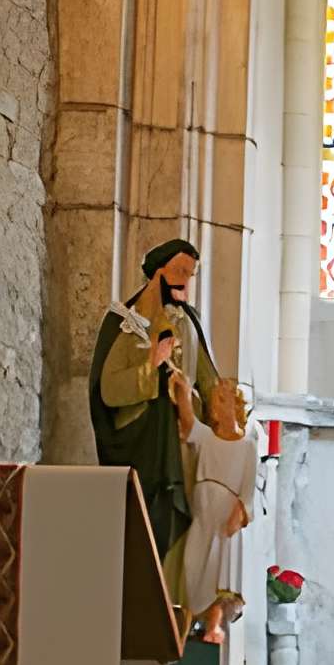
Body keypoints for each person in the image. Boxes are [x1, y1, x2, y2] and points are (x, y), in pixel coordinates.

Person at [93, 236, 222, 590]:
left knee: (182, 525)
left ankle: (174, 600)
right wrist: (151, 366)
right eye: (180, 270)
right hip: (142, 445)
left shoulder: (189, 320)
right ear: (159, 271)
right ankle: (142, 593)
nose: (185, 280)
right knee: (146, 523)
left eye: (191, 273)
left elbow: (208, 378)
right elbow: (108, 388)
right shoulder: (126, 320)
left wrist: (226, 421)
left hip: (183, 441)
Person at [180, 378, 261, 645]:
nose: (218, 408)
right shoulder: (205, 436)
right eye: (215, 402)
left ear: (236, 405)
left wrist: (239, 513)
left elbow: (248, 491)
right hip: (202, 517)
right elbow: (188, 421)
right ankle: (185, 624)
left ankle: (213, 627)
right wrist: (182, 393)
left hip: (225, 520)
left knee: (220, 573)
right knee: (193, 569)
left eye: (223, 400)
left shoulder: (247, 446)